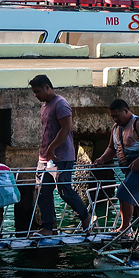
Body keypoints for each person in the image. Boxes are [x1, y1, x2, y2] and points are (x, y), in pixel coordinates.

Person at [29, 74, 91, 236]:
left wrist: (52, 148)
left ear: (47, 87)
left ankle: (85, 218)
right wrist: (45, 151)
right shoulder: (45, 106)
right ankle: (48, 227)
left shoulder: (61, 104)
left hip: (61, 157)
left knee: (64, 190)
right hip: (45, 158)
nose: (36, 95)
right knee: (42, 192)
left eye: (37, 92)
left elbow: (66, 128)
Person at [93, 99, 139, 234]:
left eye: (117, 115)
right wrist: (101, 159)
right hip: (130, 170)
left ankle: (125, 227)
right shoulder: (116, 128)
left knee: (123, 192)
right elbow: (112, 148)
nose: (115, 119)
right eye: (112, 116)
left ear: (126, 111)